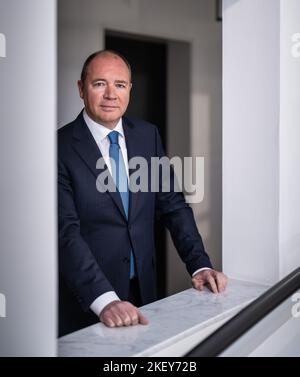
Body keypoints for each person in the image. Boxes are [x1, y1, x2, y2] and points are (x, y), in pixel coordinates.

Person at [58, 50, 227, 336]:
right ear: (81, 88)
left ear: (130, 90)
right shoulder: (59, 147)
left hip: (145, 289)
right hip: (90, 300)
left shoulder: (146, 135)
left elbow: (172, 204)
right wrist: (105, 300)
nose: (111, 94)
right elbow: (65, 232)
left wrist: (199, 265)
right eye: (100, 84)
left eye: (120, 85)